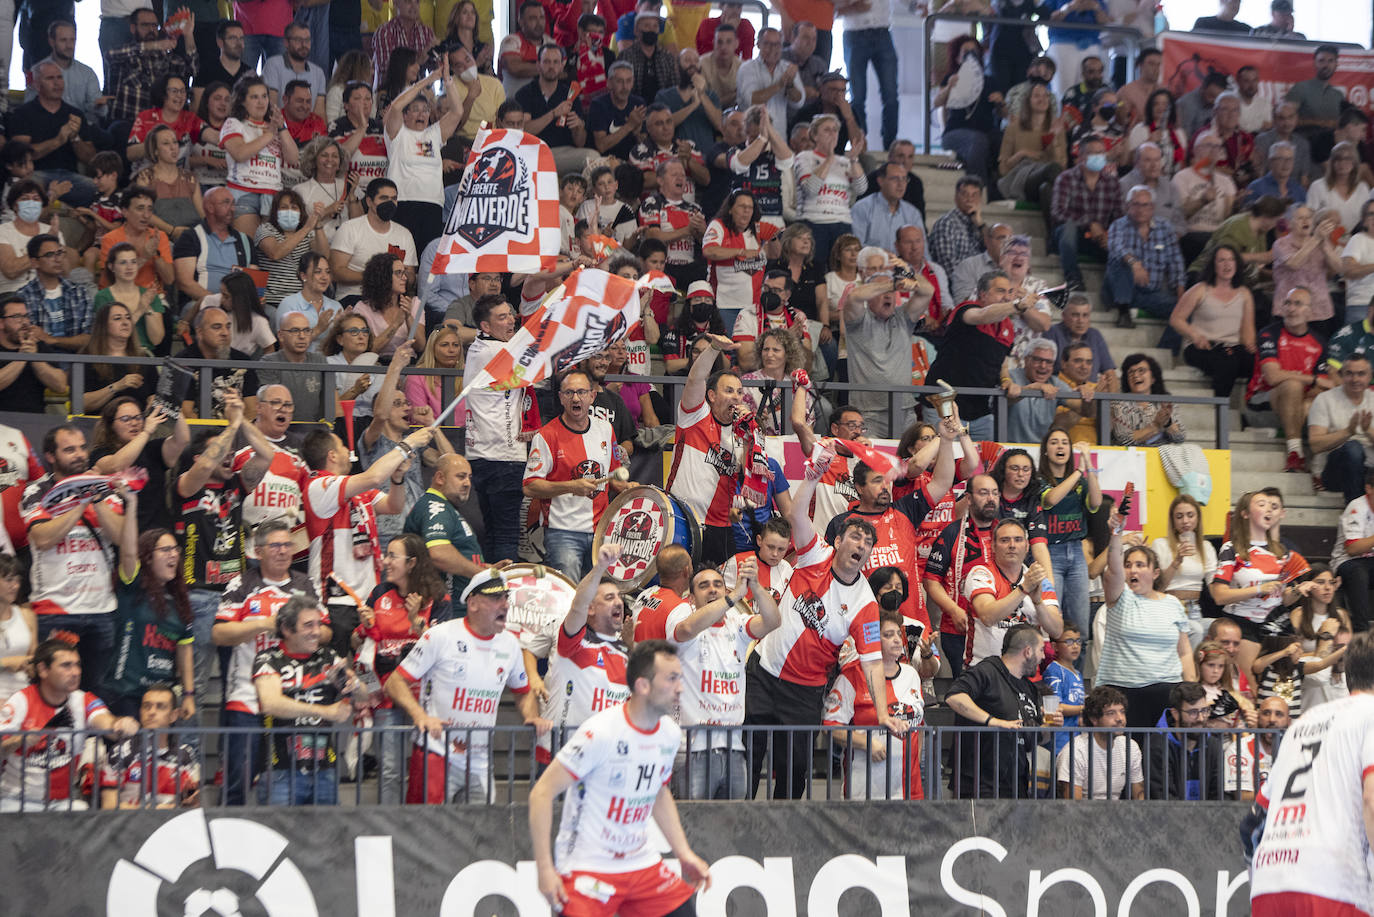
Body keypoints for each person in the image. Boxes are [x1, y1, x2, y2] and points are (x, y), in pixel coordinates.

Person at [745, 441, 901, 800]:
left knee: (792, 775)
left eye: (867, 541)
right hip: (763, 672)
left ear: (869, 554)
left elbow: (873, 663)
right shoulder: (816, 554)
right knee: (749, 761)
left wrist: (881, 713)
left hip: (804, 693)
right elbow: (797, 516)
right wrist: (812, 477)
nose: (860, 543)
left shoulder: (865, 603)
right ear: (840, 540)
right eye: (855, 536)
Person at [528, 637, 710, 916]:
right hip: (588, 866)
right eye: (672, 679)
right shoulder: (600, 733)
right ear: (643, 685)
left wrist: (683, 854)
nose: (680, 688)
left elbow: (659, 792)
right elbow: (541, 794)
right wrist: (544, 869)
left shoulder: (670, 734)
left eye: (680, 678)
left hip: (641, 863)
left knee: (684, 910)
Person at [1248, 631, 1374, 915]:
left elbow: (1253, 821)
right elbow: (1372, 801)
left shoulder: (1303, 722)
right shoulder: (1370, 714)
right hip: (1335, 883)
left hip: (1270, 882)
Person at [213, 519, 323, 806]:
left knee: (288, 784)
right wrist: (264, 624)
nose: (283, 551)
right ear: (258, 551)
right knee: (238, 779)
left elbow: (326, 632)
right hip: (246, 695)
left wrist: (297, 630)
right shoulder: (242, 583)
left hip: (293, 695)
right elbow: (220, 633)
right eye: (275, 545)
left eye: (288, 544)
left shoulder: (305, 584)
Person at [301, 423, 436, 653]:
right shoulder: (318, 486)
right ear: (332, 455)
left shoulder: (356, 490)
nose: (348, 450)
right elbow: (373, 477)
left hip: (368, 601)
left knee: (366, 671)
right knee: (341, 672)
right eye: (343, 446)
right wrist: (408, 444)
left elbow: (394, 505)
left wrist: (398, 478)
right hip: (336, 601)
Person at [663, 558, 781, 799]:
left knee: (732, 829)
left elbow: (773, 621)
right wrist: (731, 598)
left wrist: (756, 587)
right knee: (693, 828)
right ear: (691, 597)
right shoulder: (682, 619)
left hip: (734, 747)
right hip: (692, 749)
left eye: (718, 584)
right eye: (704, 585)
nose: (713, 589)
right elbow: (685, 630)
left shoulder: (737, 624)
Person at [20, 424, 125, 690]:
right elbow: (43, 538)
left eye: (81, 448)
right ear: (51, 456)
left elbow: (122, 538)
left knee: (96, 691)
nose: (79, 454)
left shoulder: (104, 490)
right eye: (69, 450)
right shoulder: (37, 491)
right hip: (54, 611)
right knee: (50, 690)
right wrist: (80, 500)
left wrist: (96, 496)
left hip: (101, 610)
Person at [0, 638, 140, 811]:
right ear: (43, 670)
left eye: (77, 665)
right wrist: (21, 741)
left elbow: (106, 722)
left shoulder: (84, 699)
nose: (75, 672)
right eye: (66, 665)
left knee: (81, 810)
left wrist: (121, 724)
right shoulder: (20, 701)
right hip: (16, 800)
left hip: (61, 803)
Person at [252, 594, 359, 805]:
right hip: (280, 771)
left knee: (327, 838)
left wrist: (355, 683)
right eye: (308, 625)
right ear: (286, 629)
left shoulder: (328, 656)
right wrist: (325, 712)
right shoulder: (268, 658)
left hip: (325, 771)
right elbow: (271, 703)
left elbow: (369, 691)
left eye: (318, 624)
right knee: (280, 837)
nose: (317, 632)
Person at [524, 369, 626, 581]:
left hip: (602, 531)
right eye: (569, 393)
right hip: (563, 533)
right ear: (561, 398)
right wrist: (571, 486)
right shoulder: (546, 435)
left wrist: (629, 487)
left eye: (581, 392)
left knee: (600, 599)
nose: (576, 398)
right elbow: (530, 486)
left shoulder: (606, 429)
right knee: (569, 597)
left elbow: (614, 477)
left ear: (592, 396)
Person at [825, 605, 929, 800]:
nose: (897, 639)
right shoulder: (852, 676)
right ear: (872, 640)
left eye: (899, 634)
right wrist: (866, 743)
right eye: (888, 635)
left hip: (910, 789)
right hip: (865, 789)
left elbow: (919, 725)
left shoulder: (911, 674)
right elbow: (830, 728)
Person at [944, 623, 1058, 799]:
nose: (1044, 656)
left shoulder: (1030, 688)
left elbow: (1033, 740)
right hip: (979, 781)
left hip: (1015, 782)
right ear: (1027, 651)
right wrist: (992, 721)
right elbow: (954, 696)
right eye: (1041, 650)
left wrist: (1050, 726)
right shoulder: (987, 670)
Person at [1211, 491, 1305, 682]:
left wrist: (1297, 591)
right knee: (1252, 687)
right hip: (1244, 623)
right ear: (1245, 513)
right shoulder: (1232, 549)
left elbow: (1283, 599)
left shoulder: (1282, 552)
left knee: (1282, 684)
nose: (1268, 508)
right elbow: (1219, 595)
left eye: (1271, 505)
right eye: (1261, 504)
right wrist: (1259, 589)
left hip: (1277, 624)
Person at [924, 270, 1018, 441]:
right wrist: (1018, 306)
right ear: (982, 294)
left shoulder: (1008, 327)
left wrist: (1006, 380)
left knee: (983, 464)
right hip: (944, 405)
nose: (1007, 297)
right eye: (1000, 291)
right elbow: (982, 316)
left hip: (980, 412)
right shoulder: (967, 309)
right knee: (940, 461)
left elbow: (1003, 363)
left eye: (1010, 292)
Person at [963, 518, 1064, 668]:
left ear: (1027, 546)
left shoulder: (1038, 578)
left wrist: (1038, 602)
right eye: (1005, 540)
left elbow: (1057, 630)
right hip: (985, 669)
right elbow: (988, 617)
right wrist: (1023, 589)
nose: (1012, 546)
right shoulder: (981, 573)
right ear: (994, 546)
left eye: (1018, 540)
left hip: (1026, 671)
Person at [1171, 244, 1256, 398]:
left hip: (1232, 347)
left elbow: (1248, 329)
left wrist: (1250, 346)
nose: (1227, 264)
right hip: (1203, 346)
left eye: (1231, 260)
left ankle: (1250, 406)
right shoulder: (1200, 289)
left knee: (1255, 361)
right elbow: (1176, 319)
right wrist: (1195, 336)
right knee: (1227, 362)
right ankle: (1220, 411)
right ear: (1213, 265)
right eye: (1221, 260)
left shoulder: (1244, 293)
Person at [1105, 185, 1186, 329]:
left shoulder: (1165, 228)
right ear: (1128, 205)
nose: (1140, 209)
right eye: (1135, 204)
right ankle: (1123, 312)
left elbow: (1176, 262)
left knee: (1183, 312)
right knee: (1120, 261)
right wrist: (1134, 263)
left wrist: (1181, 295)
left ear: (1152, 207)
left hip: (1151, 294)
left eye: (1145, 205)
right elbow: (1116, 247)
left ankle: (1166, 349)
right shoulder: (1118, 225)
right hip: (1120, 291)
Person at [1050, 134, 1121, 292]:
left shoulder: (1112, 182)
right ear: (1081, 157)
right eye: (1094, 153)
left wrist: (1107, 234)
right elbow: (1057, 213)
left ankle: (1117, 298)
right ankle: (1073, 279)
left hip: (1098, 238)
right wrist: (1089, 223)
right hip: (1070, 237)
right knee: (1068, 228)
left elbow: (1119, 217)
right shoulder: (1066, 178)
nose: (1099, 157)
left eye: (1102, 152)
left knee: (1121, 241)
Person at [330, 179, 418, 302]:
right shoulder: (350, 228)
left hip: (391, 301)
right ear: (369, 201)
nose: (390, 203)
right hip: (356, 297)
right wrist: (375, 277)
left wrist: (401, 276)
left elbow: (411, 274)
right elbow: (336, 271)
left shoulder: (404, 234)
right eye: (384, 198)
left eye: (394, 199)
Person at [1055, 685, 1144, 799]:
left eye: (1122, 712)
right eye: (1111, 713)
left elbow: (1140, 799)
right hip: (1083, 814)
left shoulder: (1130, 746)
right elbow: (1072, 807)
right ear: (1094, 719)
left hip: (1116, 814)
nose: (1120, 718)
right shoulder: (1075, 751)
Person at [171, 188, 253, 311]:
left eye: (233, 203)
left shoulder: (245, 240)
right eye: (226, 203)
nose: (232, 208)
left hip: (238, 307)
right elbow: (184, 282)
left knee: (268, 317)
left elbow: (254, 282)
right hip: (199, 304)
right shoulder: (190, 237)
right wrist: (219, 302)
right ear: (210, 207)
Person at [1309, 354, 1374, 505]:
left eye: (1361, 374)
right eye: (1349, 373)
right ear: (1341, 375)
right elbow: (1315, 445)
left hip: (1369, 472)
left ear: (1370, 376)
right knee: (1353, 448)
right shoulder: (1325, 399)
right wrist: (1348, 432)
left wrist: (1368, 431)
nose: (1355, 379)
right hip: (1335, 472)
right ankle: (1354, 514)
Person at [737, 27, 803, 130]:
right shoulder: (747, 68)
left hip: (779, 136)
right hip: (752, 136)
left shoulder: (788, 67)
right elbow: (751, 100)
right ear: (758, 44)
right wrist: (780, 84)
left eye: (777, 45)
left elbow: (799, 102)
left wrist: (790, 85)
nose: (773, 49)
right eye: (767, 44)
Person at [1111, 352, 1184, 446]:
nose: (1136, 375)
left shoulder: (1165, 401)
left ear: (1153, 378)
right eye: (1131, 372)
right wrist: (1155, 426)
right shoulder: (1119, 404)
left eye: (1141, 370)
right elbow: (1123, 439)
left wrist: (1168, 422)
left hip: (1161, 456)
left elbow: (1180, 438)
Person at [851, 161, 922, 251]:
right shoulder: (862, 208)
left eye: (904, 179)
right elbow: (854, 247)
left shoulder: (913, 213)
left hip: (904, 264)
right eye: (895, 179)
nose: (901, 184)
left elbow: (922, 252)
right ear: (880, 181)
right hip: (872, 263)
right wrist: (880, 254)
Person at [929, 175, 986, 274]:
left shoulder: (978, 224)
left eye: (974, 195)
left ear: (980, 199)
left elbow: (993, 253)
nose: (969, 199)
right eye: (965, 194)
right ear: (955, 197)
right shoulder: (946, 224)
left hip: (977, 282)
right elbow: (948, 267)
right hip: (955, 284)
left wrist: (980, 225)